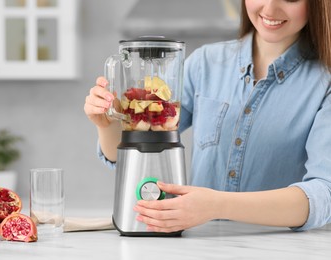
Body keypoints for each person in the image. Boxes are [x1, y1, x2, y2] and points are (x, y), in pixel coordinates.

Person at [84, 0, 331, 232]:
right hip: (200, 245)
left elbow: (324, 194)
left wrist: (217, 205)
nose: (271, 8)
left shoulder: (325, 82)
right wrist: (106, 125)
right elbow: (130, 151)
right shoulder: (204, 63)